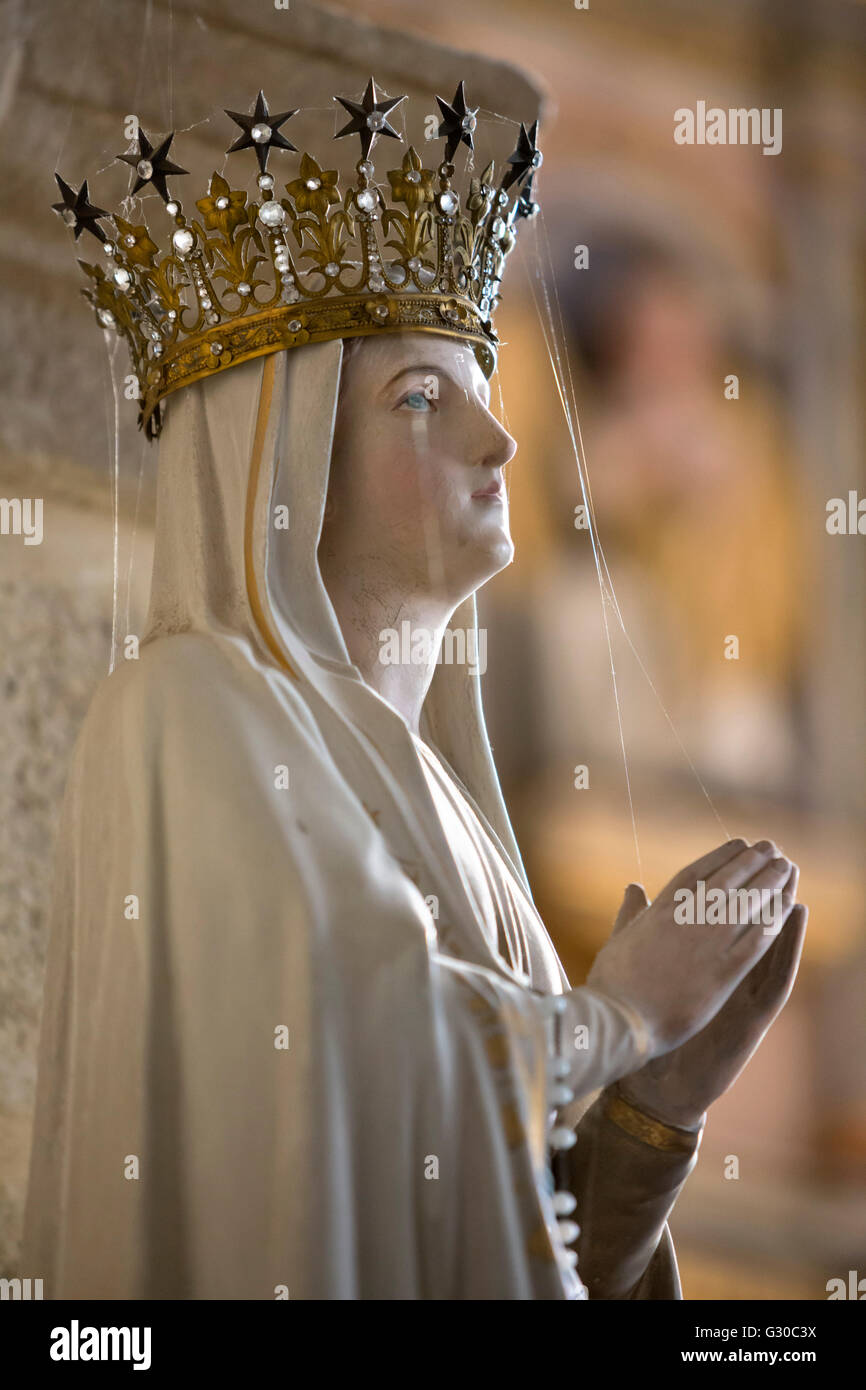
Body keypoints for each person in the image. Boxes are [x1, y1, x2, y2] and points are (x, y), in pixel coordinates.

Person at [21, 322, 806, 1299]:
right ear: (289, 459)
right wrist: (616, 1018)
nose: (500, 438)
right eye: (422, 398)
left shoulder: (451, 803)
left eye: (481, 391)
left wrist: (651, 1111)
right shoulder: (188, 704)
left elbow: (513, 1250)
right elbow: (334, 1068)